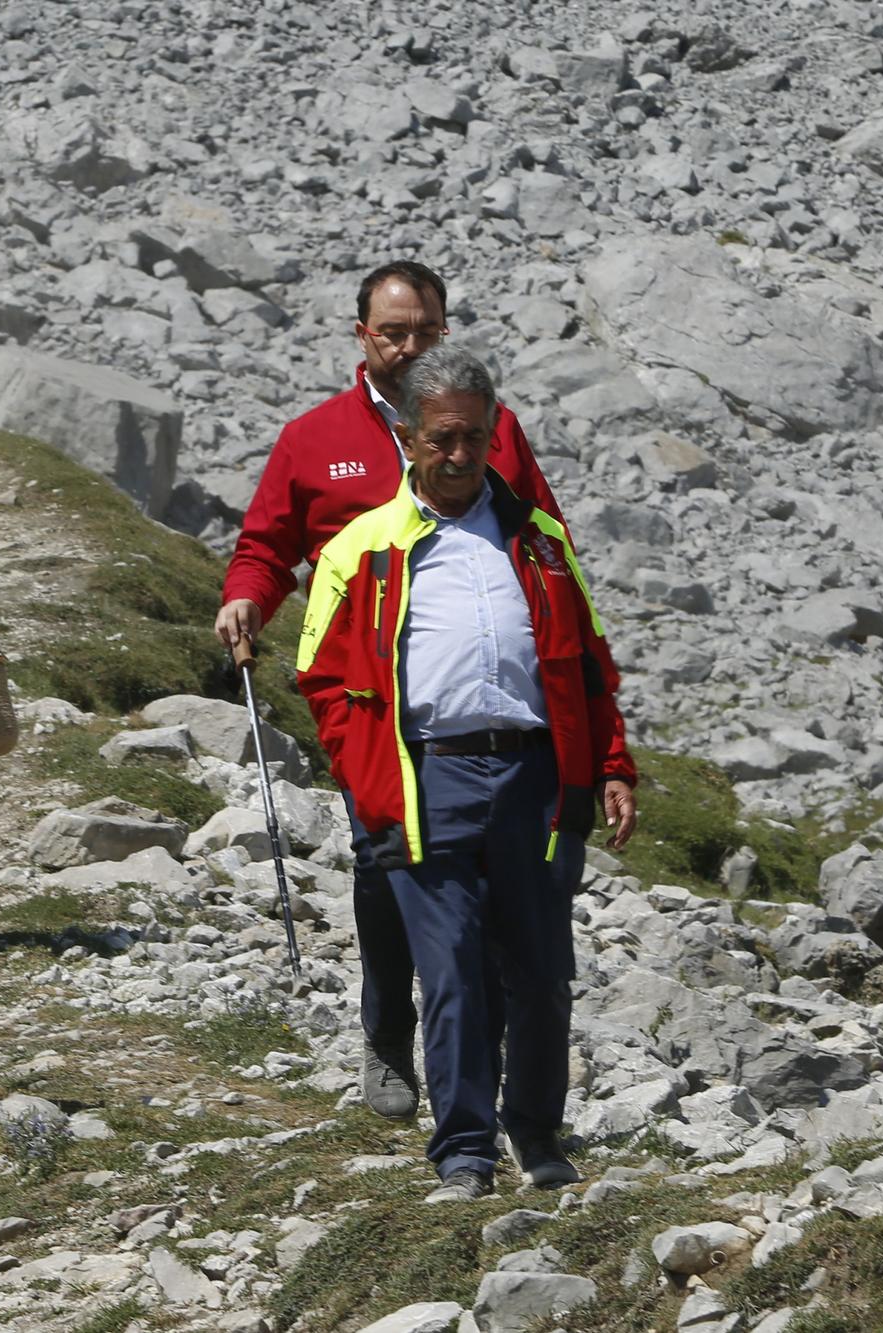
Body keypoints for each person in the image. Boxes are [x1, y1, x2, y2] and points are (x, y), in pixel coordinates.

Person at [214, 261, 568, 1124]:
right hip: (374, 706)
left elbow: (541, 540)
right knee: (384, 867)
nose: (410, 347)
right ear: (361, 334)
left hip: (475, 697)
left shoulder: (491, 427)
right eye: (394, 333)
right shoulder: (313, 437)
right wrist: (246, 597)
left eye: (427, 332)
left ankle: (469, 1068)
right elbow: (269, 544)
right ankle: (386, 1033)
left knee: (480, 884)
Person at [295, 347, 637, 1202]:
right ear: (408, 437)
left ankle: (537, 1133)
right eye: (442, 438)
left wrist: (612, 766)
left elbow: (590, 668)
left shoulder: (540, 539)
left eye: (475, 438)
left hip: (533, 780)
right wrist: (368, 778)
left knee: (540, 970)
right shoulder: (362, 546)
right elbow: (322, 678)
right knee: (448, 972)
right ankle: (464, 1151)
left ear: (494, 437)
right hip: (422, 780)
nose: (459, 455)